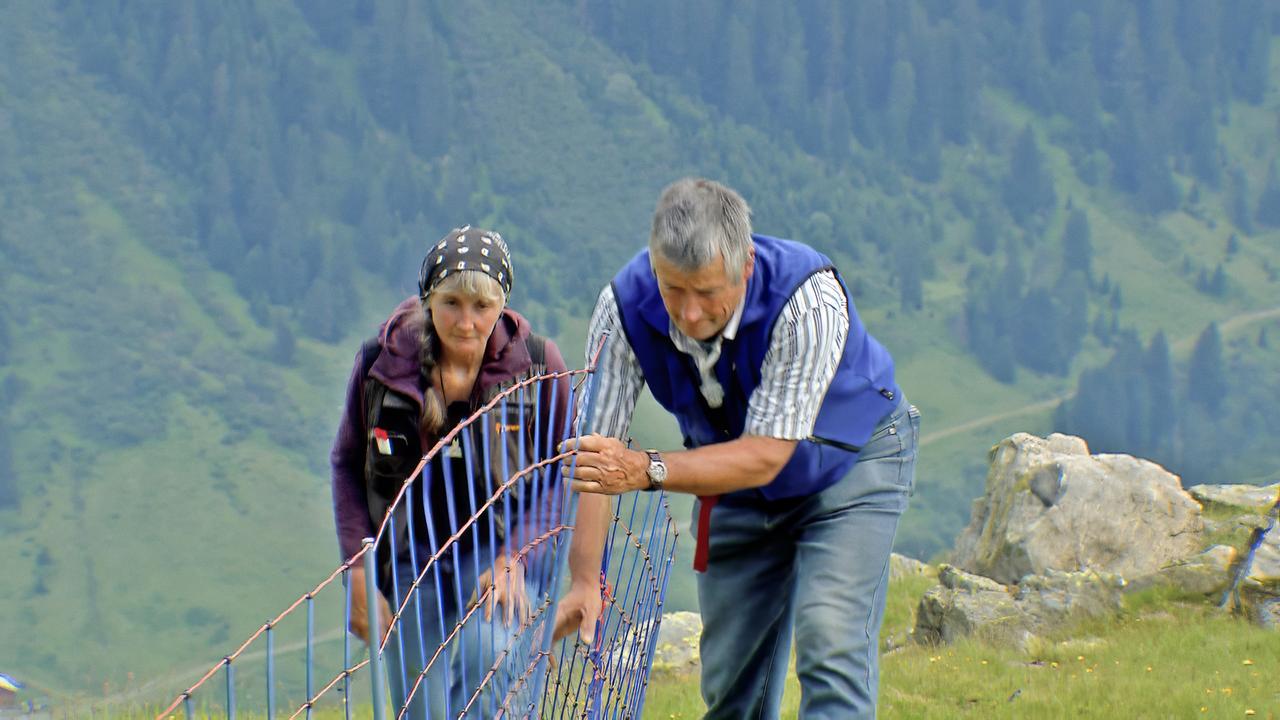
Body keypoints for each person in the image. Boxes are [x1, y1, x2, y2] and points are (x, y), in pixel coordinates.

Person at [555, 178, 920, 719]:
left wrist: (649, 469)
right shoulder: (622, 308)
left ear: (745, 264)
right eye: (672, 289)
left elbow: (767, 454)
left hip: (850, 465)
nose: (691, 312)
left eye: (707, 292)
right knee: (732, 686)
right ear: (655, 265)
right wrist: (586, 578)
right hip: (737, 491)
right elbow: (598, 458)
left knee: (830, 645)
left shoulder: (807, 299)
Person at [330, 226, 572, 717]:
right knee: (420, 705)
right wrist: (357, 573)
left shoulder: (540, 368)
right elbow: (347, 465)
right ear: (428, 300)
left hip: (502, 551)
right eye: (452, 303)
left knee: (492, 655)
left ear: (502, 304)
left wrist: (518, 555)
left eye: (482, 307)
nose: (466, 322)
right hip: (410, 557)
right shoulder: (381, 367)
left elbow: (559, 474)